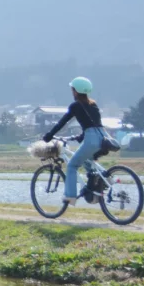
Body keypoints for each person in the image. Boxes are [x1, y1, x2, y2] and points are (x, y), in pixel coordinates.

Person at [42, 77, 106, 205]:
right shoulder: (93, 104)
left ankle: (70, 197)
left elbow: (63, 122)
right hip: (102, 138)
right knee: (87, 160)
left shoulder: (75, 106)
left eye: (72, 90)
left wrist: (50, 135)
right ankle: (99, 180)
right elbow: (94, 125)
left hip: (91, 139)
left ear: (76, 91)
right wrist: (81, 136)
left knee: (72, 166)